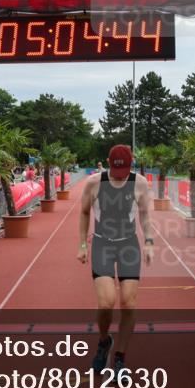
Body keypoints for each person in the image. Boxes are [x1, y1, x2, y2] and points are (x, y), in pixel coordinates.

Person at [78, 145, 153, 375]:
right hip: (102, 243)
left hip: (128, 244)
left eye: (124, 171)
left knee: (129, 302)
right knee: (106, 302)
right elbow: (84, 212)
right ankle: (103, 341)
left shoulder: (140, 183)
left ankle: (120, 355)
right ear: (108, 164)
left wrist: (149, 241)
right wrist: (82, 244)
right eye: (116, 171)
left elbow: (145, 213)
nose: (120, 176)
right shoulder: (94, 183)